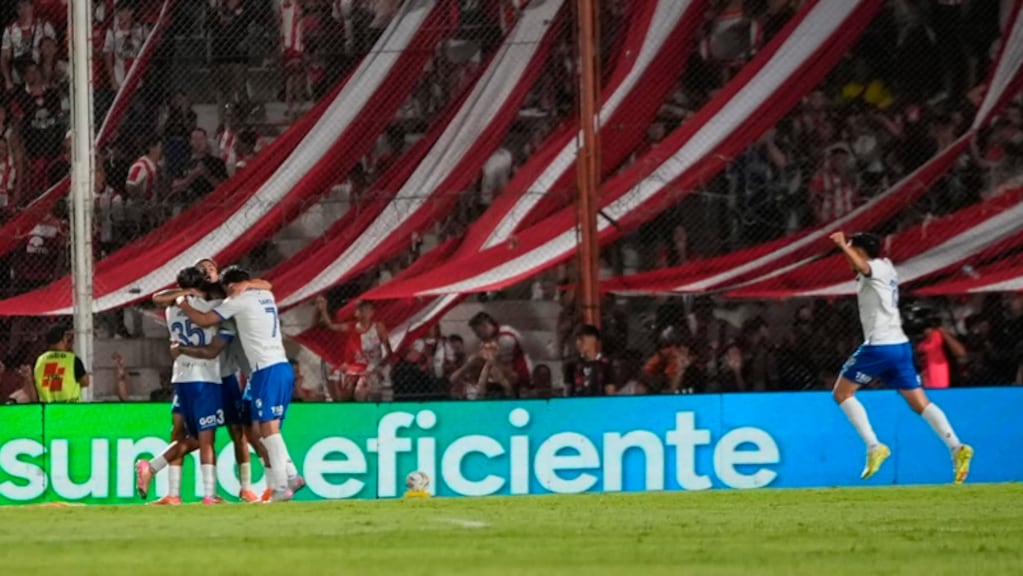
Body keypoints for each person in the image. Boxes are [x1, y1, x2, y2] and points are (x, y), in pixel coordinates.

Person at [829, 231, 973, 483]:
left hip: (879, 347)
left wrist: (842, 244)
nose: (847, 256)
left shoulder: (875, 267)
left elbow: (863, 266)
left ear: (860, 252)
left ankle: (874, 446)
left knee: (841, 393)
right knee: (919, 403)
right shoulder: (886, 266)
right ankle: (957, 447)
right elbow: (862, 267)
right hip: (899, 347)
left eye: (852, 250)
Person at [148, 257, 272, 503]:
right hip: (204, 376)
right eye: (201, 269)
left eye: (211, 268)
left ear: (218, 274)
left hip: (224, 375)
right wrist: (188, 292)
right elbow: (159, 297)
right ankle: (173, 492)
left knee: (238, 432)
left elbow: (265, 284)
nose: (206, 271)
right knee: (182, 430)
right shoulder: (199, 300)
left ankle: (246, 487)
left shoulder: (225, 299)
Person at [177, 266, 303, 502]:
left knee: (268, 428)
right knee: (265, 428)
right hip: (282, 366)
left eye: (227, 290)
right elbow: (266, 283)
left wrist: (182, 302)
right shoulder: (265, 294)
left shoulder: (237, 301)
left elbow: (204, 320)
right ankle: (290, 475)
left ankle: (283, 484)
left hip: (265, 369)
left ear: (232, 286)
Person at [315, 296, 391, 402]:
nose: (364, 313)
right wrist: (323, 310)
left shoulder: (378, 327)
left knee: (359, 393)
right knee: (336, 377)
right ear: (356, 313)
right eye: (361, 309)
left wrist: (380, 366)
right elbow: (331, 326)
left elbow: (389, 351)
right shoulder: (351, 327)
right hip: (354, 365)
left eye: (367, 309)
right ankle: (338, 403)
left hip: (372, 366)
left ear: (372, 312)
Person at [34, 323, 89, 403]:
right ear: (63, 339)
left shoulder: (40, 360)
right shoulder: (72, 360)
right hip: (70, 407)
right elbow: (85, 382)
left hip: (48, 407)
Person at [565, 324, 614, 396]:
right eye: (576, 340)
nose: (577, 343)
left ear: (593, 339)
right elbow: (568, 393)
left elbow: (610, 393)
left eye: (581, 339)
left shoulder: (606, 364)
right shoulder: (572, 365)